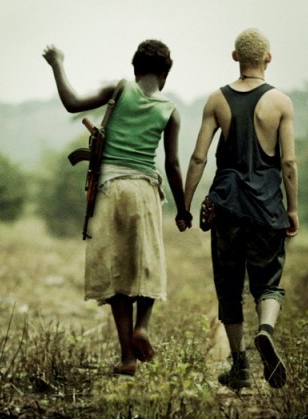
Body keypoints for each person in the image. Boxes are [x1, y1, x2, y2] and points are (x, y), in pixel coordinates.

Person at [43, 40, 192, 376]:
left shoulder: (118, 89)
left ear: (135, 69)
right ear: (165, 75)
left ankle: (127, 358)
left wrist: (57, 63)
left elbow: (71, 102)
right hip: (145, 190)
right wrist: (183, 209)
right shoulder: (171, 111)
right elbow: (172, 164)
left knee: (116, 273)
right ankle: (143, 326)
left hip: (110, 190)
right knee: (148, 264)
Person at [182, 28, 299, 389]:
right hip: (267, 208)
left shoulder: (217, 100)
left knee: (229, 288)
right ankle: (265, 330)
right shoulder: (281, 102)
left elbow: (199, 157)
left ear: (235, 57)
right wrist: (292, 210)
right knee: (268, 283)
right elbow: (289, 163)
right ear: (268, 58)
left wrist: (185, 205)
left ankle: (240, 366)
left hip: (228, 206)